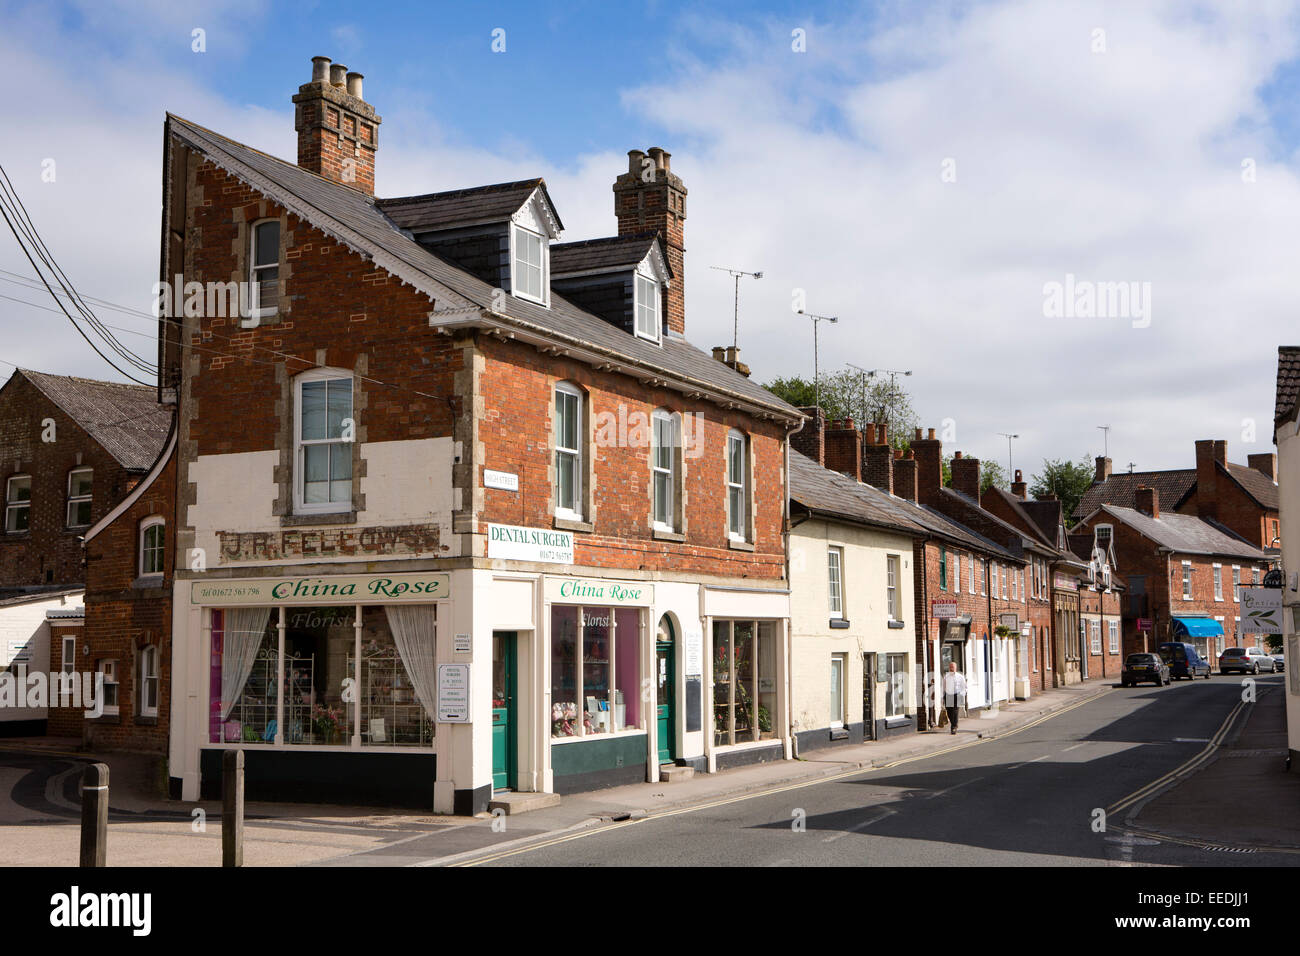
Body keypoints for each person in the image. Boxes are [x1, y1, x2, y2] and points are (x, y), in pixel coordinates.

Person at [943, 661, 967, 734]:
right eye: (950, 667)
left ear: (955, 668)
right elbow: (943, 687)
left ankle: (953, 727)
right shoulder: (946, 676)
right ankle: (954, 724)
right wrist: (943, 697)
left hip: (957, 695)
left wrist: (962, 695)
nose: (951, 668)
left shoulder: (960, 677)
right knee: (949, 712)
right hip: (948, 695)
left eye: (952, 667)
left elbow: (965, 687)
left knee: (955, 711)